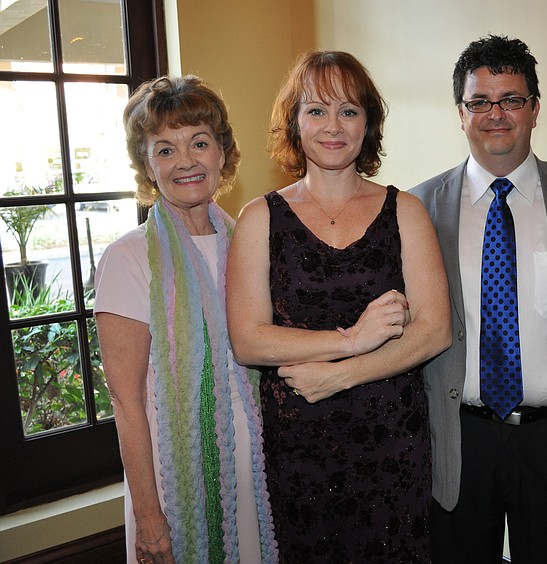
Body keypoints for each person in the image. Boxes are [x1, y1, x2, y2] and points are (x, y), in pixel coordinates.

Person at [226, 50, 451, 562]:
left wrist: (341, 374)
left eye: (349, 111)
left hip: (394, 442)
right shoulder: (259, 218)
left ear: (368, 124)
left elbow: (435, 329)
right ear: (295, 122)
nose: (333, 126)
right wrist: (352, 338)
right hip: (301, 447)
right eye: (316, 110)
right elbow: (249, 338)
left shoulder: (406, 212)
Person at [411, 35, 547, 564]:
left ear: (535, 110)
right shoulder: (418, 207)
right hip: (458, 439)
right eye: (480, 101)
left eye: (512, 99)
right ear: (461, 113)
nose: (495, 114)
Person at [94, 76, 278, 564]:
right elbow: (126, 400)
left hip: (257, 474)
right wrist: (151, 517)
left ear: (223, 153)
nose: (186, 161)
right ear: (148, 166)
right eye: (165, 149)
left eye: (199, 142)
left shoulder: (249, 242)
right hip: (175, 486)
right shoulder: (129, 259)